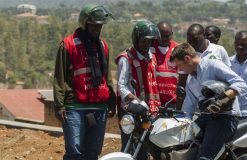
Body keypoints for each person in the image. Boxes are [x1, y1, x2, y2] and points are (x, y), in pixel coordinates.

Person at [53, 4, 116, 160]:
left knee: (93, 152)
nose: (97, 29)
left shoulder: (103, 45)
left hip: (99, 106)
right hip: (74, 106)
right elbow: (59, 77)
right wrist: (59, 105)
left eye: (100, 26)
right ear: (85, 23)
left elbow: (106, 76)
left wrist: (112, 101)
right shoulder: (68, 44)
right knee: (74, 152)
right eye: (94, 25)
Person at [170, 42, 247, 160]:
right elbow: (188, 108)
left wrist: (221, 100)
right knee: (183, 147)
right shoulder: (191, 80)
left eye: (180, 65)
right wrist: (178, 125)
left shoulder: (212, 64)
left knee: (204, 157)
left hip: (226, 117)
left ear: (187, 58)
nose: (180, 69)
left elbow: (241, 84)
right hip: (206, 116)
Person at [115, 20, 161, 152]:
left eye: (150, 41)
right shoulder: (126, 58)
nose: (147, 44)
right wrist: (134, 100)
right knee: (130, 144)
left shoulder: (152, 57)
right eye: (144, 41)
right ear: (136, 39)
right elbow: (121, 85)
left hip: (150, 109)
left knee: (147, 146)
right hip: (132, 110)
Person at [151, 21, 179, 109]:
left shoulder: (178, 49)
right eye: (161, 36)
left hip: (173, 102)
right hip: (154, 102)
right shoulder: (149, 49)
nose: (164, 38)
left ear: (172, 34)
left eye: (167, 36)